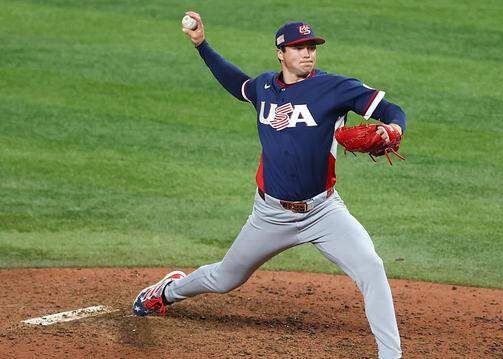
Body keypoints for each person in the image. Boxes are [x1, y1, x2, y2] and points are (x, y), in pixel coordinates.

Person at [133, 11, 407, 359]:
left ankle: (390, 354)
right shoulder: (264, 87)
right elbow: (236, 83)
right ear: (281, 53)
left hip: (323, 211)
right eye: (298, 48)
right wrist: (202, 45)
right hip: (270, 215)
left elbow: (392, 109)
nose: (307, 53)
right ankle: (167, 292)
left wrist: (394, 129)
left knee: (371, 266)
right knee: (224, 278)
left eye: (311, 47)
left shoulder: (335, 88)